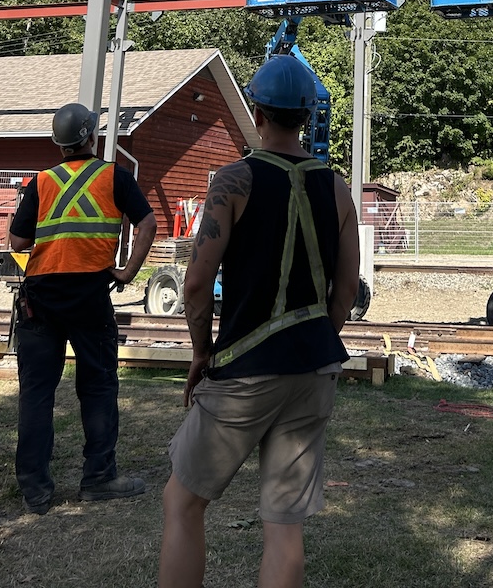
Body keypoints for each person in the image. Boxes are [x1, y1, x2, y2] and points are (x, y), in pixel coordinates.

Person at [158, 55, 360, 588]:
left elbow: (196, 284)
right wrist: (313, 340)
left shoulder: (234, 181)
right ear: (308, 115)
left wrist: (201, 353)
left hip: (245, 371)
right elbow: (346, 291)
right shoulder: (337, 189)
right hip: (314, 369)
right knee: (284, 524)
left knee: (182, 502)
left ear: (256, 112)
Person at [9, 102, 157, 514]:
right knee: (98, 386)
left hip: (40, 297)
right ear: (92, 136)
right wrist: (127, 272)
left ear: (58, 144)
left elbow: (18, 242)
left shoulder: (42, 182)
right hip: (90, 295)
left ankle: (36, 490)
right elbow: (147, 223)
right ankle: (99, 478)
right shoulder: (114, 176)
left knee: (37, 392)